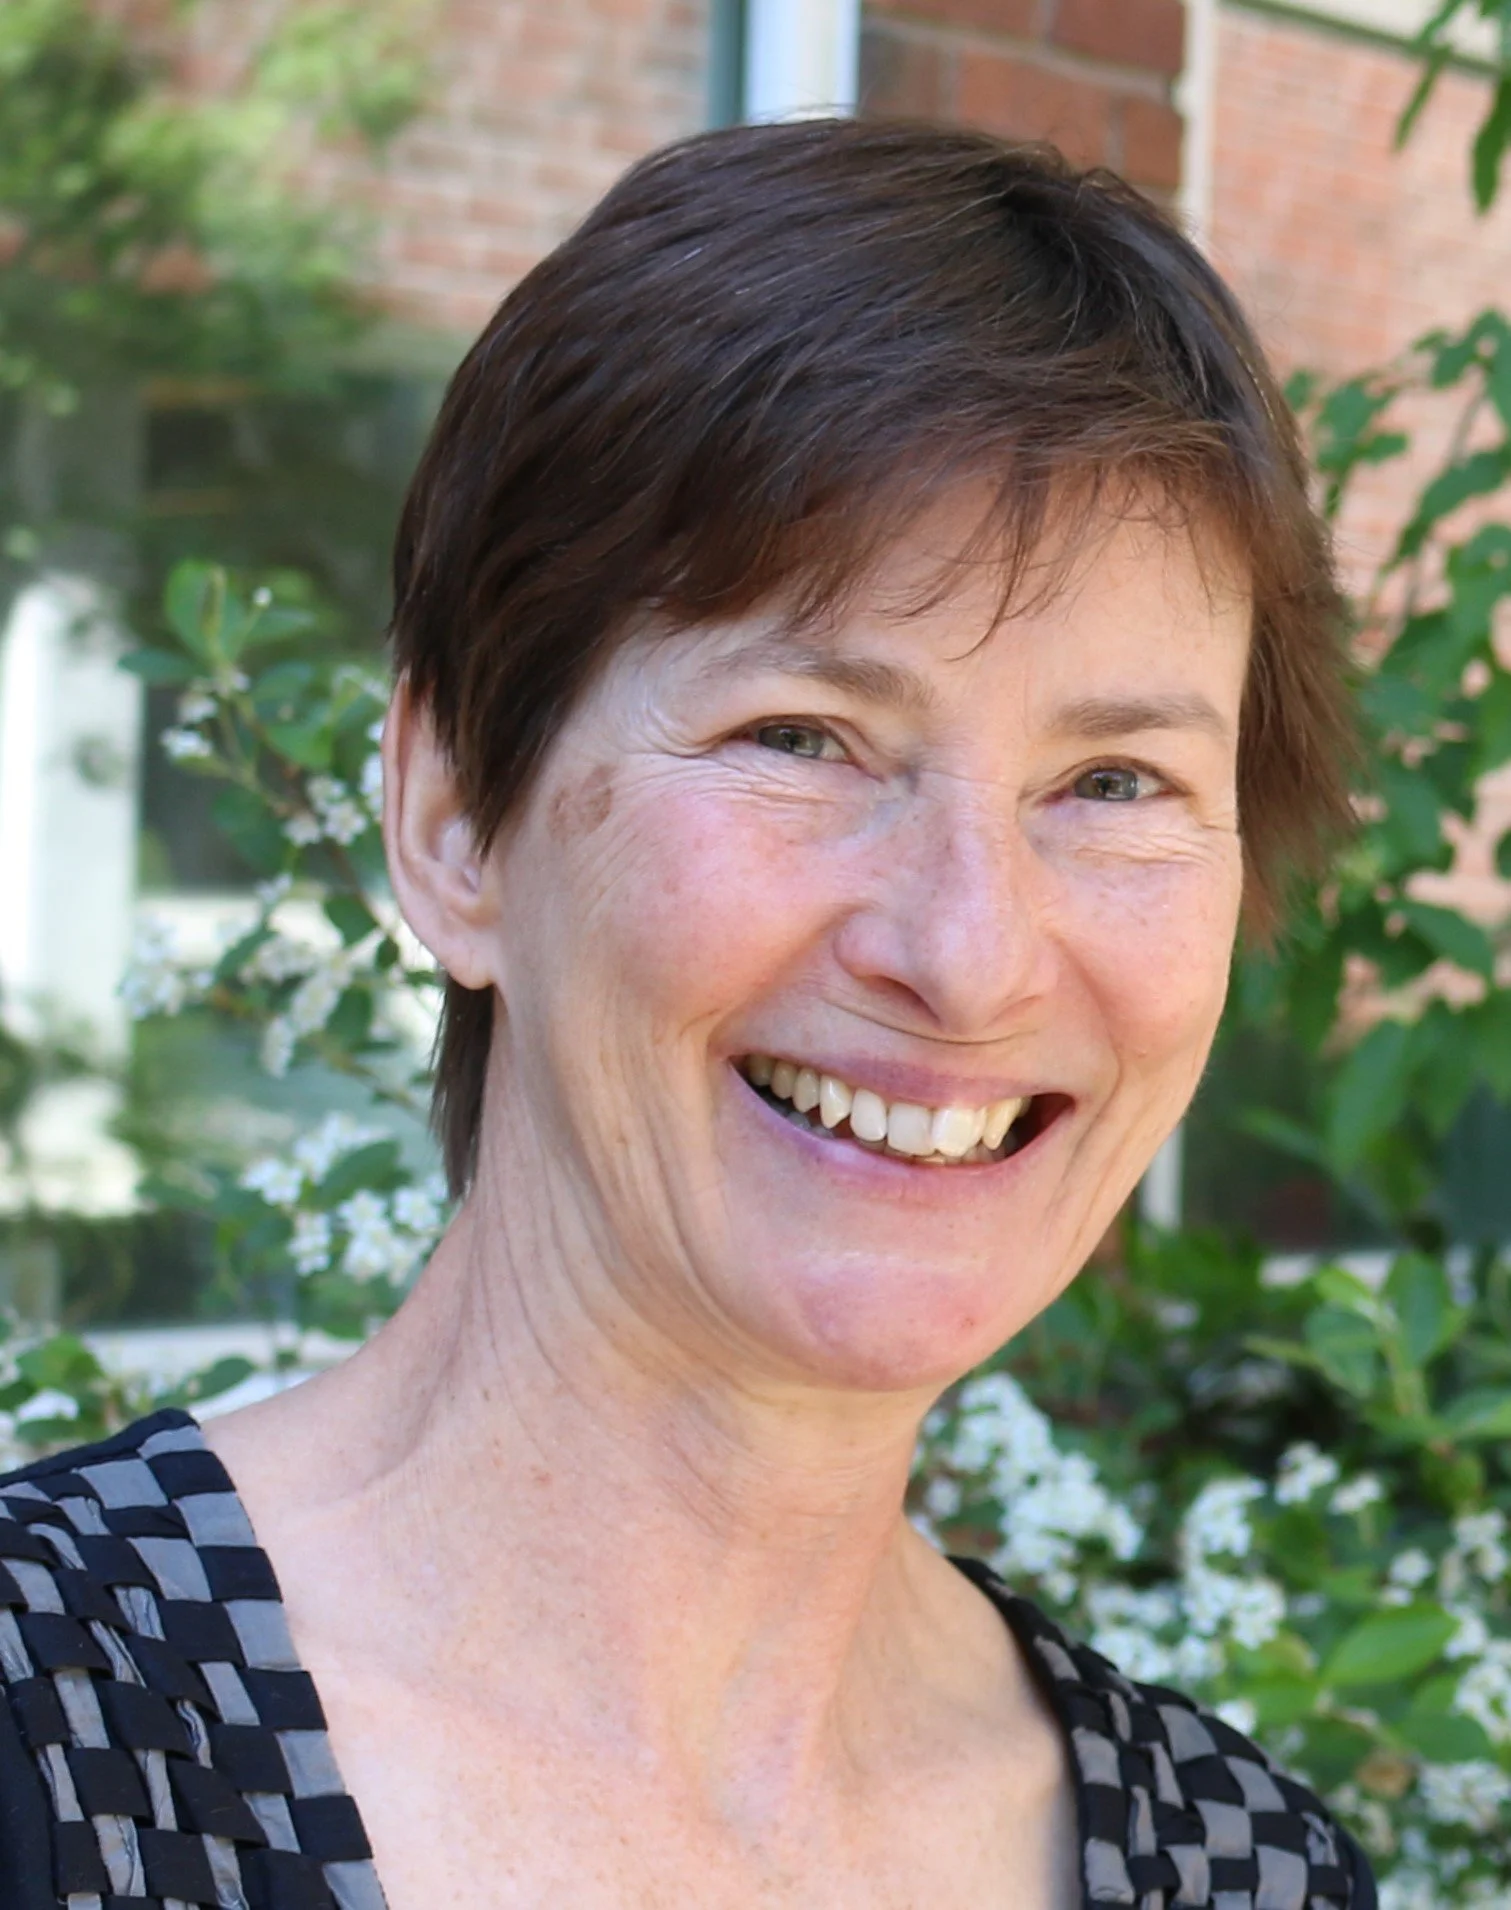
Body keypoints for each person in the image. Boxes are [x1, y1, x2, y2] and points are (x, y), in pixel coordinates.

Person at [0, 120, 1374, 1909]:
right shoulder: (47, 1748)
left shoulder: (1245, 1876)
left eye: (1112, 779)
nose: (969, 954)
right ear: (454, 822)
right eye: (800, 738)